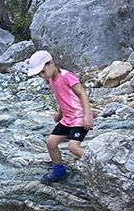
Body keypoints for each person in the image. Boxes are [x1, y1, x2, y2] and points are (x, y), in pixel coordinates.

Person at [27, 50, 93, 183]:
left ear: (51, 63)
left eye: (43, 71)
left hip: (79, 119)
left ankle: (99, 162)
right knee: (51, 142)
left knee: (73, 147)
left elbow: (82, 94)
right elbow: (64, 98)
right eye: (39, 74)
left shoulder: (66, 76)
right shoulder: (52, 79)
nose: (42, 76)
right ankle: (58, 171)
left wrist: (87, 115)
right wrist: (60, 113)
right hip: (67, 119)